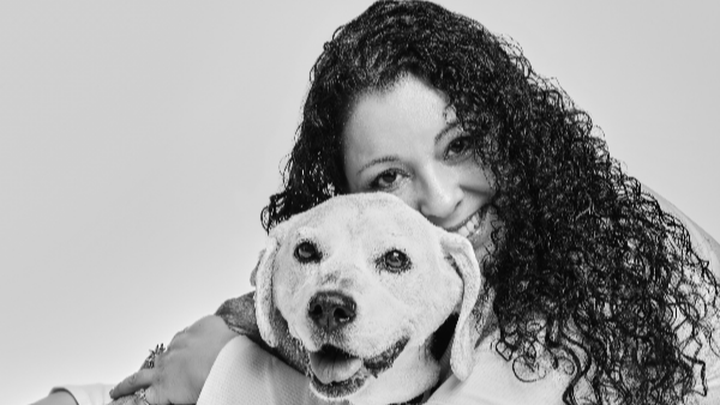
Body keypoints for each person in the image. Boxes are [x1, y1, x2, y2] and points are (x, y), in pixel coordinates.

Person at [34, 1, 720, 404]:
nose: (442, 200)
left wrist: (227, 375)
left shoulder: (614, 281)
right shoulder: (427, 291)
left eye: (460, 144)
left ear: (512, 128)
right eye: (389, 177)